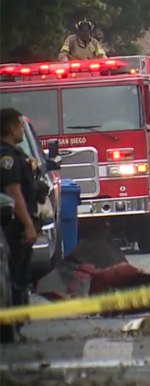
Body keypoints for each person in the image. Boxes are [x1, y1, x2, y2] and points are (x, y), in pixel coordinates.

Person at [0, 108, 39, 343]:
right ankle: (11, 329)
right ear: (11, 128)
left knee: (20, 275)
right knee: (14, 276)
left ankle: (16, 326)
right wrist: (28, 226)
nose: (22, 130)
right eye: (20, 126)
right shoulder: (7, 158)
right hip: (14, 227)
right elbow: (13, 194)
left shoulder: (15, 154)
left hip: (16, 224)